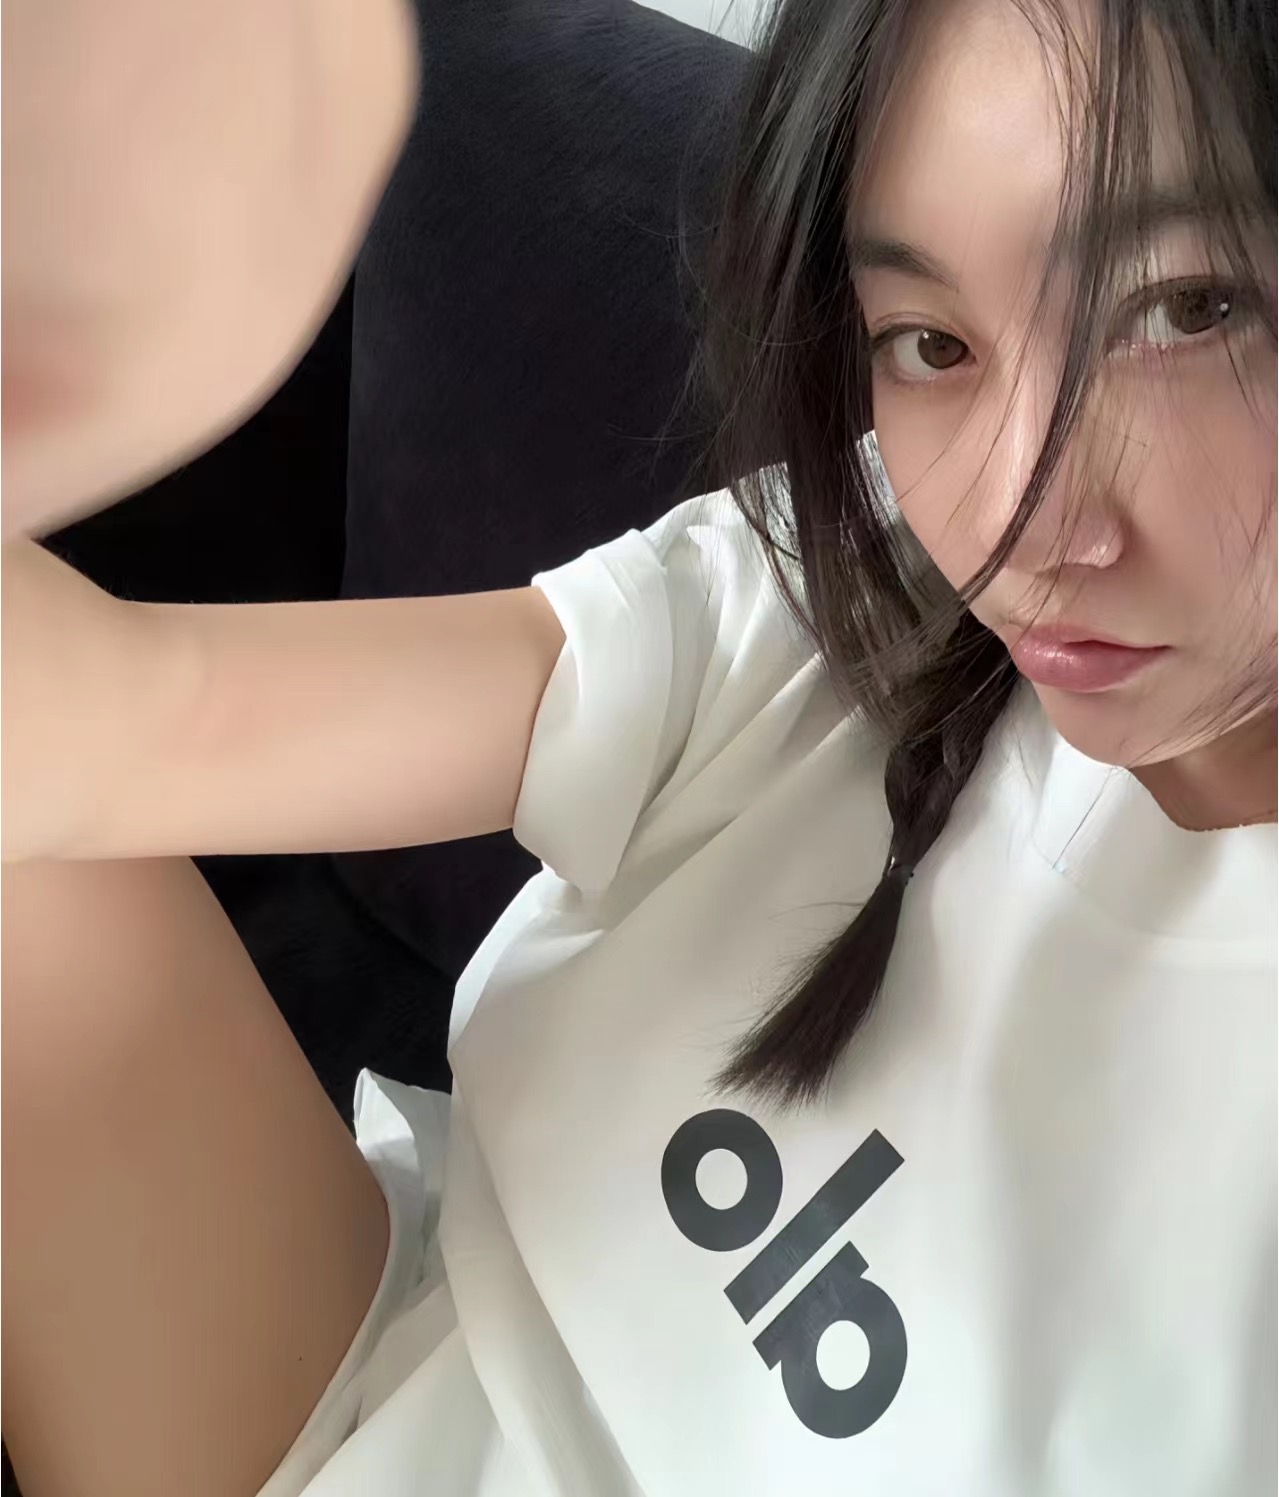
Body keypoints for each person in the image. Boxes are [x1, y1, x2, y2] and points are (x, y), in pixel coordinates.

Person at [2, 0, 1275, 1494]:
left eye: (1185, 310)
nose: (1017, 525)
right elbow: (128, 718)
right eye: (931, 342)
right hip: (365, 1381)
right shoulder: (871, 569)